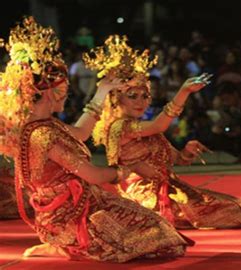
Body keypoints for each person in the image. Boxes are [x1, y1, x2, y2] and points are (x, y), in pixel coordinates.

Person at [0, 17, 189, 262]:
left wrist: (101, 92)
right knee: (158, 234)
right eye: (64, 89)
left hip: (79, 204)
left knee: (160, 228)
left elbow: (80, 133)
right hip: (68, 216)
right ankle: (63, 242)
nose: (67, 94)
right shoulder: (42, 133)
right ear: (50, 93)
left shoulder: (45, 125)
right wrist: (128, 169)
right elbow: (94, 176)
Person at [85, 35, 241, 229]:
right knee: (228, 212)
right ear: (116, 100)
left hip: (168, 188)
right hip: (145, 196)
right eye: (133, 96)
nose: (141, 102)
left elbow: (178, 159)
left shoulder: (144, 127)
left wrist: (186, 152)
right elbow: (159, 126)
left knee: (236, 208)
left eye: (145, 96)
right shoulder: (121, 127)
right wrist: (184, 92)